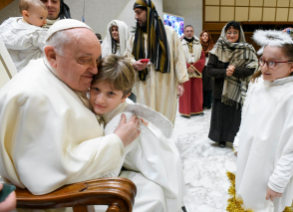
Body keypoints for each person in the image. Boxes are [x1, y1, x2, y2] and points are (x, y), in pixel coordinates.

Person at [0, 19, 140, 197]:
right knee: (154, 193)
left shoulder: (57, 74)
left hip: (87, 180)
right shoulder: (31, 97)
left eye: (96, 61)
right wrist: (117, 141)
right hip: (67, 202)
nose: (95, 70)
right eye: (84, 60)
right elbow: (50, 172)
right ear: (52, 56)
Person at [232, 30, 293, 212]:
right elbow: (245, 116)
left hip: (269, 169)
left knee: (264, 206)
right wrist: (239, 142)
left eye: (272, 63)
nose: (264, 67)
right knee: (244, 199)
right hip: (249, 158)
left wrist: (278, 182)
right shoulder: (257, 85)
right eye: (262, 60)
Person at [89, 54, 186, 212]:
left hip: (160, 170)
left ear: (125, 96)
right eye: (96, 89)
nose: (100, 99)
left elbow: (109, 169)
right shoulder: (119, 107)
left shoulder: (122, 122)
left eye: (110, 94)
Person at [125, 0, 188, 125]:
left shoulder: (170, 33)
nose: (135, 17)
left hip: (166, 84)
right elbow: (127, 56)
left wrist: (180, 82)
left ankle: (164, 143)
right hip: (144, 86)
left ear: (149, 12)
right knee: (146, 121)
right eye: (135, 13)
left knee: (165, 119)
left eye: (138, 12)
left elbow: (179, 58)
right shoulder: (134, 37)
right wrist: (134, 63)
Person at [206, 21, 258, 148]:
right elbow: (209, 70)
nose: (231, 35)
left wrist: (236, 71)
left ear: (240, 34)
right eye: (229, 32)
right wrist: (225, 72)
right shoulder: (217, 48)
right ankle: (221, 139)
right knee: (220, 115)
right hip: (220, 89)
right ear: (224, 33)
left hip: (238, 90)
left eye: (235, 32)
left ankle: (234, 139)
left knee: (235, 116)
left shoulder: (247, 49)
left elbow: (252, 69)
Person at [0, 0, 48, 72]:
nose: (45, 21)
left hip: (12, 66)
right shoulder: (36, 33)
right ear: (26, 15)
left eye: (45, 18)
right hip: (31, 68)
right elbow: (49, 48)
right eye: (41, 18)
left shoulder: (10, 22)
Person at [101, 20, 137, 102]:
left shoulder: (132, 45)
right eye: (112, 30)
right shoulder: (105, 46)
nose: (114, 32)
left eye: (116, 30)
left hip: (127, 84)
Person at [179, 25, 205, 117]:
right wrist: (187, 67)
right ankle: (185, 111)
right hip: (185, 72)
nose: (189, 33)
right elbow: (177, 58)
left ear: (193, 32)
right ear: (184, 32)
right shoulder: (179, 43)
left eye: (191, 31)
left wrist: (194, 67)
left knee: (197, 93)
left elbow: (202, 58)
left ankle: (198, 110)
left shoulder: (199, 43)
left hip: (196, 72)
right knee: (185, 93)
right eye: (187, 31)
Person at [200, 30, 214, 109]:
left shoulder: (212, 46)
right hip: (200, 68)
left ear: (209, 37)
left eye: (206, 35)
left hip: (209, 68)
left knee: (209, 86)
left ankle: (208, 103)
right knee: (201, 86)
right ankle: (201, 104)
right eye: (203, 35)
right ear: (201, 37)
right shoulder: (198, 46)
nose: (205, 37)